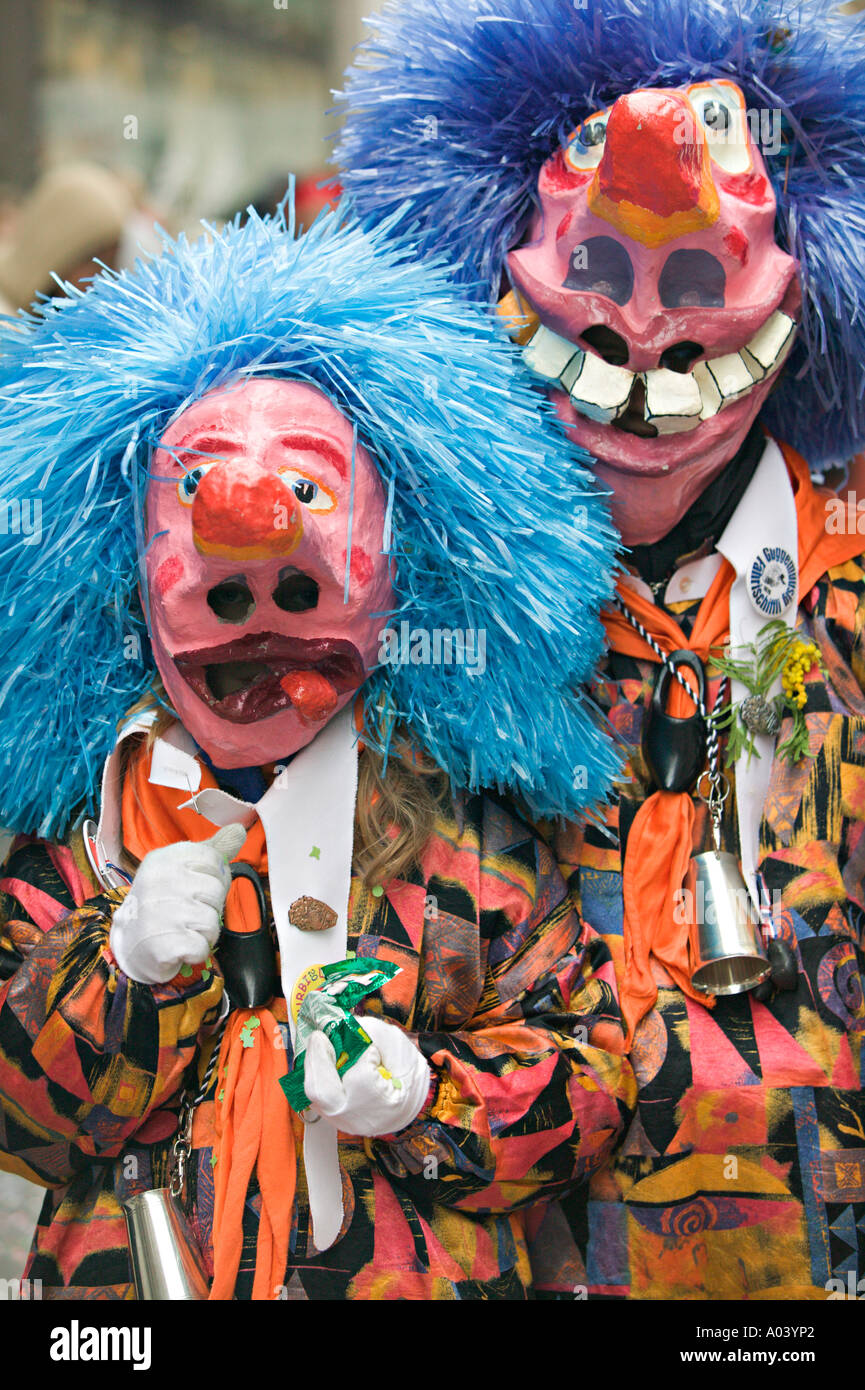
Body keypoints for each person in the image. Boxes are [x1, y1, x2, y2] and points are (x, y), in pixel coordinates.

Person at [0, 199, 634, 1300]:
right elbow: (21, 1126)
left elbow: (593, 1085)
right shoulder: (81, 834)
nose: (259, 619)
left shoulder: (460, 844)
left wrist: (422, 1095)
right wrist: (119, 970)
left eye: (297, 586)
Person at [336, 0, 865, 1298]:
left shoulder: (845, 589)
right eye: (597, 271)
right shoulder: (405, 623)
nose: (643, 334)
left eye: (697, 280)